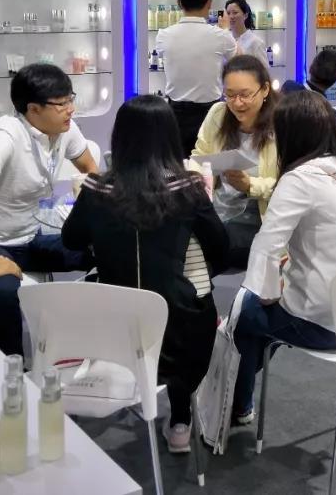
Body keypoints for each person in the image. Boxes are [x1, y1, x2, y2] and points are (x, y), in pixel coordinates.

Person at [61, 96, 229, 454]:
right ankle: (181, 420)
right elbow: (221, 246)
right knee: (196, 298)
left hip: (111, 331)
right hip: (180, 336)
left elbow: (71, 239)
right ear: (169, 137)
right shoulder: (188, 189)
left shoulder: (96, 189)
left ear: (120, 138)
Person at [231, 91, 336, 424]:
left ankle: (236, 406)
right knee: (264, 312)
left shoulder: (298, 179)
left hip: (327, 325)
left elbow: (266, 248)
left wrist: (266, 293)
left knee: (245, 314)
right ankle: (239, 400)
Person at [0, 64, 98, 357]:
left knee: (109, 251)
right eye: (61, 104)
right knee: (4, 291)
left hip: (29, 240)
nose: (70, 109)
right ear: (33, 109)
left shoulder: (65, 129)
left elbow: (91, 171)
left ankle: (93, 347)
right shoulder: (7, 134)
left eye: (70, 99)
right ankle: (11, 370)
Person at [191, 55, 278, 268]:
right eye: (230, 95)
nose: (237, 103)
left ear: (265, 90)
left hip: (256, 219)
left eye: (245, 95)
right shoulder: (218, 114)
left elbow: (290, 185)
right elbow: (199, 156)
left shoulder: (282, 124)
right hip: (215, 212)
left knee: (199, 251)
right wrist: (199, 175)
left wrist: (250, 185)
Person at [155, 0, 238, 157]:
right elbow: (240, 62)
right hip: (211, 113)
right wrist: (225, 31)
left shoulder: (163, 36)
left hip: (175, 113)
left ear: (179, 3)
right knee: (210, 165)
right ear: (209, 3)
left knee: (178, 164)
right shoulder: (221, 36)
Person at [225, 0, 268, 67]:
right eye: (228, 13)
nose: (231, 16)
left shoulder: (256, 42)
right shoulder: (225, 38)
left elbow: (264, 70)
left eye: (235, 13)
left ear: (245, 15)